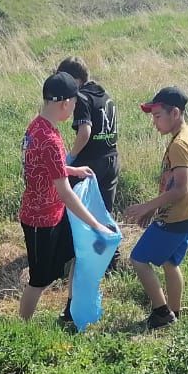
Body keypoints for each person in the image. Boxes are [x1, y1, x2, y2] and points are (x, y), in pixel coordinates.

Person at [18, 71, 116, 325]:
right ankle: (22, 329)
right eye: (74, 103)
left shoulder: (38, 126)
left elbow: (46, 167)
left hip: (53, 213)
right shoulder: (49, 139)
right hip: (40, 219)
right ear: (65, 103)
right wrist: (94, 224)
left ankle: (70, 311)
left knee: (73, 254)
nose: (74, 109)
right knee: (39, 280)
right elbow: (65, 192)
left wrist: (72, 170)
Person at [123, 87, 188, 330]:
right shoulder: (187, 134)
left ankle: (161, 313)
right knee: (169, 263)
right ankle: (174, 312)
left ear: (175, 113)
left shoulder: (179, 144)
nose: (154, 122)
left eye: (158, 116)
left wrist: (147, 206)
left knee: (138, 259)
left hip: (176, 217)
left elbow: (179, 189)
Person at [55, 58, 119, 216]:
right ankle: (104, 240)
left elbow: (85, 132)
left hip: (90, 162)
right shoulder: (105, 95)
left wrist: (71, 156)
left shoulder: (81, 98)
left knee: (76, 210)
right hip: (112, 160)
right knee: (103, 213)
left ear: (76, 80)